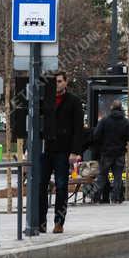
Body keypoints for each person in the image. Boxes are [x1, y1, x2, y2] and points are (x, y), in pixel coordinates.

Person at [39, 71, 85, 233]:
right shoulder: (44, 100)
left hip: (63, 150)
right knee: (40, 185)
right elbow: (35, 125)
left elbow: (78, 129)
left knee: (61, 186)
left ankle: (59, 222)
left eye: (59, 81)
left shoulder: (73, 101)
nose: (56, 84)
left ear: (66, 82)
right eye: (54, 82)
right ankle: (40, 222)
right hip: (45, 149)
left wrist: (75, 151)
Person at [91, 100, 129, 204]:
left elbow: (96, 135)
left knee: (102, 176)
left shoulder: (104, 120)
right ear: (121, 108)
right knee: (118, 177)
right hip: (120, 153)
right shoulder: (126, 121)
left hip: (106, 153)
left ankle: (96, 197)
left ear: (112, 108)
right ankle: (116, 198)